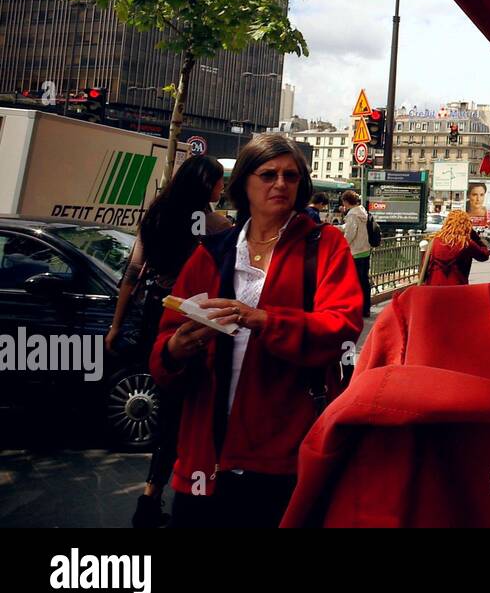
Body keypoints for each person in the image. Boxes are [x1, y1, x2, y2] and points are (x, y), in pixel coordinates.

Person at [150, 134, 363, 528]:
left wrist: (261, 319)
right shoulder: (210, 253)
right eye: (268, 174)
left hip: (285, 455)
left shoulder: (324, 244)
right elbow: (163, 351)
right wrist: (177, 348)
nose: (280, 183)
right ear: (243, 183)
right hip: (206, 456)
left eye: (291, 176)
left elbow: (342, 328)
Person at [107, 155, 232, 528]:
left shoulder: (157, 215)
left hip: (153, 316)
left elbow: (133, 271)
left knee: (168, 401)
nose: (221, 188)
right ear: (206, 185)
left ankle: (151, 497)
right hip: (190, 320)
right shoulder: (216, 224)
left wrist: (116, 324)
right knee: (188, 408)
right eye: (218, 181)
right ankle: (183, 490)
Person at [418, 210, 490, 286]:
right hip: (457, 289)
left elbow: (424, 267)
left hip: (434, 289)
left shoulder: (435, 242)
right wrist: (475, 237)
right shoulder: (465, 243)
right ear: (466, 225)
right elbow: (484, 256)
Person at [341, 190, 372, 318]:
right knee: (364, 281)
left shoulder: (352, 215)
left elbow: (350, 234)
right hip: (365, 250)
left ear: (346, 202)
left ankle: (357, 309)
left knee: (355, 282)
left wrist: (342, 245)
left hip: (355, 252)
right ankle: (366, 308)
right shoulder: (362, 212)